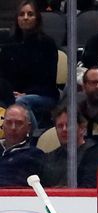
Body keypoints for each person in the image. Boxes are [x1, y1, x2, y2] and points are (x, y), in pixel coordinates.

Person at [0, 0, 59, 128]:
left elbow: (49, 79)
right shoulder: (8, 44)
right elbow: (2, 76)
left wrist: (26, 94)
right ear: (17, 18)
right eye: (22, 14)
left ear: (37, 18)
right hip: (12, 95)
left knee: (20, 103)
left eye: (30, 14)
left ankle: (29, 138)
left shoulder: (47, 43)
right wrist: (10, 93)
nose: (25, 18)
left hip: (43, 95)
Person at [41, 105, 98, 188]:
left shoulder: (96, 154)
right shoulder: (50, 157)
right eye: (60, 126)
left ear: (82, 129)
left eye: (69, 125)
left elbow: (89, 188)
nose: (64, 129)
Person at [0, 103, 43, 187]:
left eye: (19, 123)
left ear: (29, 127)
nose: (13, 128)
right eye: (9, 122)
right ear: (3, 125)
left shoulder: (35, 155)